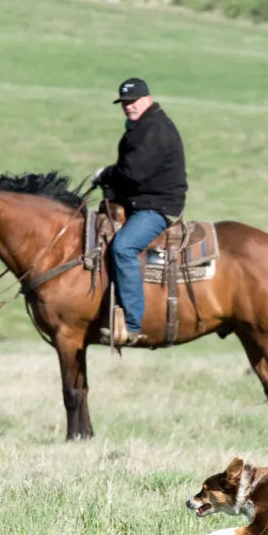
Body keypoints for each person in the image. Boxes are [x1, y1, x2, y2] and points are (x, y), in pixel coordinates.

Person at [92, 77, 188, 346]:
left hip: (158, 206)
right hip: (142, 201)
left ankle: (132, 323)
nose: (128, 107)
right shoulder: (142, 125)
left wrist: (105, 175)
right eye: (124, 103)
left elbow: (133, 173)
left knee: (123, 247)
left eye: (132, 102)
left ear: (146, 99)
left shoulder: (154, 129)